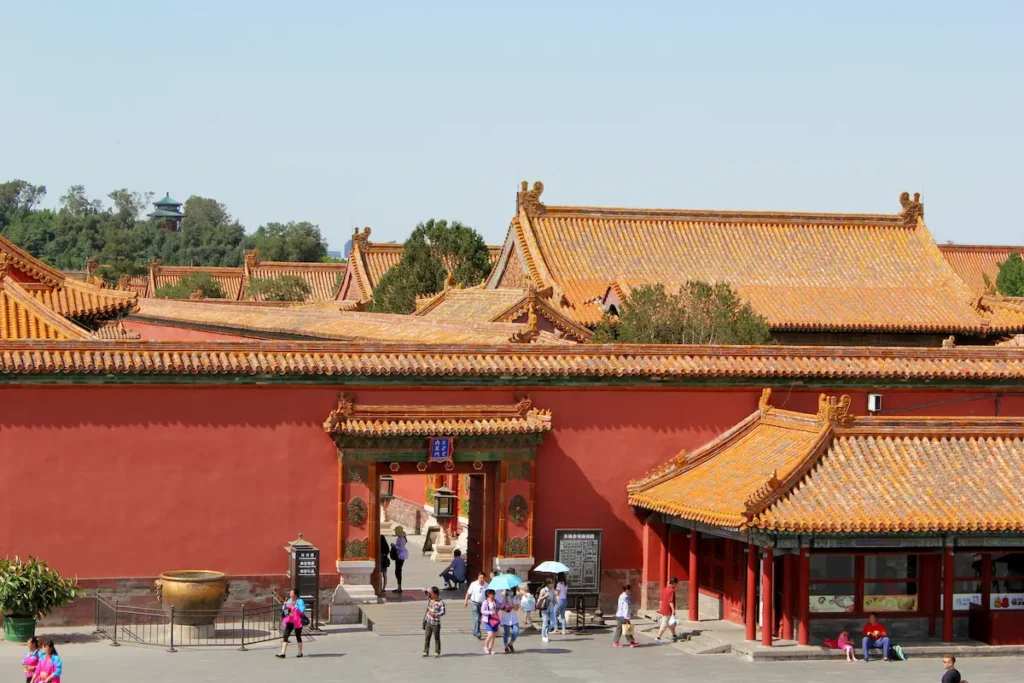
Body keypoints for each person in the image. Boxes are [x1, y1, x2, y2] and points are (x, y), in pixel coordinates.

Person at [276, 589, 306, 658]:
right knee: (285, 635)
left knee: (298, 636)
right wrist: (285, 605)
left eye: (291, 593)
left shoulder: (300, 601)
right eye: (290, 593)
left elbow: (302, 610)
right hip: (290, 619)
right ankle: (283, 653)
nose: (290, 594)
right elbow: (284, 609)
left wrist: (294, 607)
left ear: (295, 594)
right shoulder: (289, 600)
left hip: (297, 620)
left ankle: (300, 652)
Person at [422, 586, 446, 658]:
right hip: (428, 622)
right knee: (427, 637)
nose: (429, 595)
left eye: (431, 593)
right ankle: (425, 651)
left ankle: (437, 651)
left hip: (436, 623)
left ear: (435, 594)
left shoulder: (441, 603)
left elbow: (443, 612)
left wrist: (435, 614)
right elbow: (425, 591)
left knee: (437, 638)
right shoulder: (430, 600)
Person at [463, 572, 489, 639]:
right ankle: (478, 632)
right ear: (478, 578)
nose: (481, 579)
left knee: (480, 619)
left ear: (485, 578)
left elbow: (488, 596)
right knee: (476, 618)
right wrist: (466, 601)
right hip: (475, 603)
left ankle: (475, 631)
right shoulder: (473, 584)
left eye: (482, 578)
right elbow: (468, 593)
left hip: (483, 604)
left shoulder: (487, 585)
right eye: (480, 578)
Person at [655, 577, 679, 644]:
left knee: (671, 623)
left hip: (664, 608)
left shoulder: (665, 589)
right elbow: (670, 601)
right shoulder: (671, 591)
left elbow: (661, 599)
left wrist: (660, 608)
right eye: (676, 584)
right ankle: (658, 637)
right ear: (674, 583)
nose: (676, 585)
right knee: (664, 624)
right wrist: (673, 610)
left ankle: (674, 635)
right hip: (668, 609)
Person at [499, 588, 520, 653]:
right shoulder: (504, 597)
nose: (510, 592)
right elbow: (501, 607)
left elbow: (517, 608)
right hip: (506, 618)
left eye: (511, 591)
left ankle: (510, 643)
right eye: (508, 591)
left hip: (514, 618)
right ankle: (505, 646)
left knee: (516, 632)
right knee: (506, 633)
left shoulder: (516, 598)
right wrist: (505, 600)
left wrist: (512, 603)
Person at [480, 588, 500, 654]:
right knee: (490, 634)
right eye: (492, 594)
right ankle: (485, 646)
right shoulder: (485, 602)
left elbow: (500, 606)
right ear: (488, 595)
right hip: (488, 620)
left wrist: (505, 599)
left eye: (494, 594)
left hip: (495, 619)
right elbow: (482, 611)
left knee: (494, 635)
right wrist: (489, 612)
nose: (493, 595)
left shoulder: (496, 601)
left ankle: (490, 648)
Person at [538, 578, 556, 642]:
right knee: (545, 622)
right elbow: (539, 598)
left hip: (551, 608)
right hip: (545, 608)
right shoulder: (543, 590)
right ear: (548, 584)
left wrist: (557, 604)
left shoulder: (553, 590)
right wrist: (545, 596)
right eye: (552, 583)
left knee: (553, 623)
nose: (553, 584)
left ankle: (546, 633)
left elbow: (554, 598)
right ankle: (543, 636)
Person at [392, 526, 408, 594]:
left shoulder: (401, 539)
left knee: (398, 570)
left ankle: (399, 587)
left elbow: (400, 548)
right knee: (397, 571)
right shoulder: (400, 538)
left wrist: (394, 546)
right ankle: (399, 587)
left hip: (400, 555)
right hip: (399, 554)